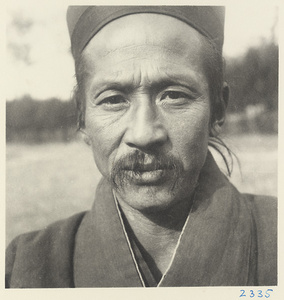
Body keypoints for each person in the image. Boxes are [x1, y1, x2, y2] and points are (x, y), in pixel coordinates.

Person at [5, 6, 277, 288]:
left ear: (218, 108)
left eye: (173, 95)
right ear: (82, 118)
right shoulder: (26, 268)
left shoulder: (274, 238)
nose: (144, 133)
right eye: (113, 99)